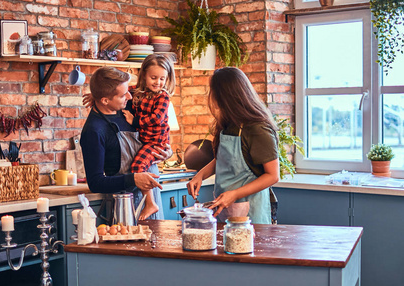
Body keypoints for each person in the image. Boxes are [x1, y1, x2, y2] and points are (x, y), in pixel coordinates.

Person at [186, 67, 279, 224]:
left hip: (252, 210)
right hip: (227, 206)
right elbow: (223, 160)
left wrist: (235, 194)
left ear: (224, 95)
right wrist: (200, 175)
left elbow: (272, 175)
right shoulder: (228, 124)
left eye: (212, 91)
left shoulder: (257, 128)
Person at [80, 66, 171, 221]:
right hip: (125, 206)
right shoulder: (94, 131)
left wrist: (167, 153)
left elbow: (156, 127)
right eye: (123, 95)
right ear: (105, 100)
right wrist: (133, 179)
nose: (129, 96)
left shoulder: (126, 108)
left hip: (152, 195)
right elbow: (95, 183)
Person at [121, 54, 176, 220]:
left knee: (137, 167)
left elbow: (157, 119)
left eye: (162, 79)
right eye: (153, 77)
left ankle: (150, 203)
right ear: (144, 74)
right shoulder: (135, 94)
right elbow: (116, 90)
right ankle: (150, 203)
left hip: (155, 142)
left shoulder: (162, 96)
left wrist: (134, 120)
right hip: (147, 143)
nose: (158, 82)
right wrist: (95, 96)